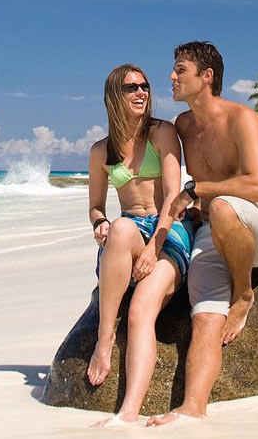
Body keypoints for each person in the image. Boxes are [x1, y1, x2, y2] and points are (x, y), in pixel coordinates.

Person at [150, 41, 258, 426]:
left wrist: (196, 191)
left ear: (206, 77)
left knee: (223, 208)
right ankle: (193, 407)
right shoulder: (183, 125)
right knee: (205, 316)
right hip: (214, 227)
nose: (171, 77)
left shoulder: (243, 118)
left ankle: (244, 293)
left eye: (180, 70)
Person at [83, 63, 193, 427]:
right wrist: (99, 222)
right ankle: (103, 340)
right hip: (129, 233)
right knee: (119, 226)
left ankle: (128, 412)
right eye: (131, 88)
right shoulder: (101, 150)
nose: (141, 92)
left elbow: (174, 196)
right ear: (115, 95)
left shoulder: (163, 131)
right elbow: (96, 207)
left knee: (139, 312)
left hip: (168, 227)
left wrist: (155, 246)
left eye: (144, 86)